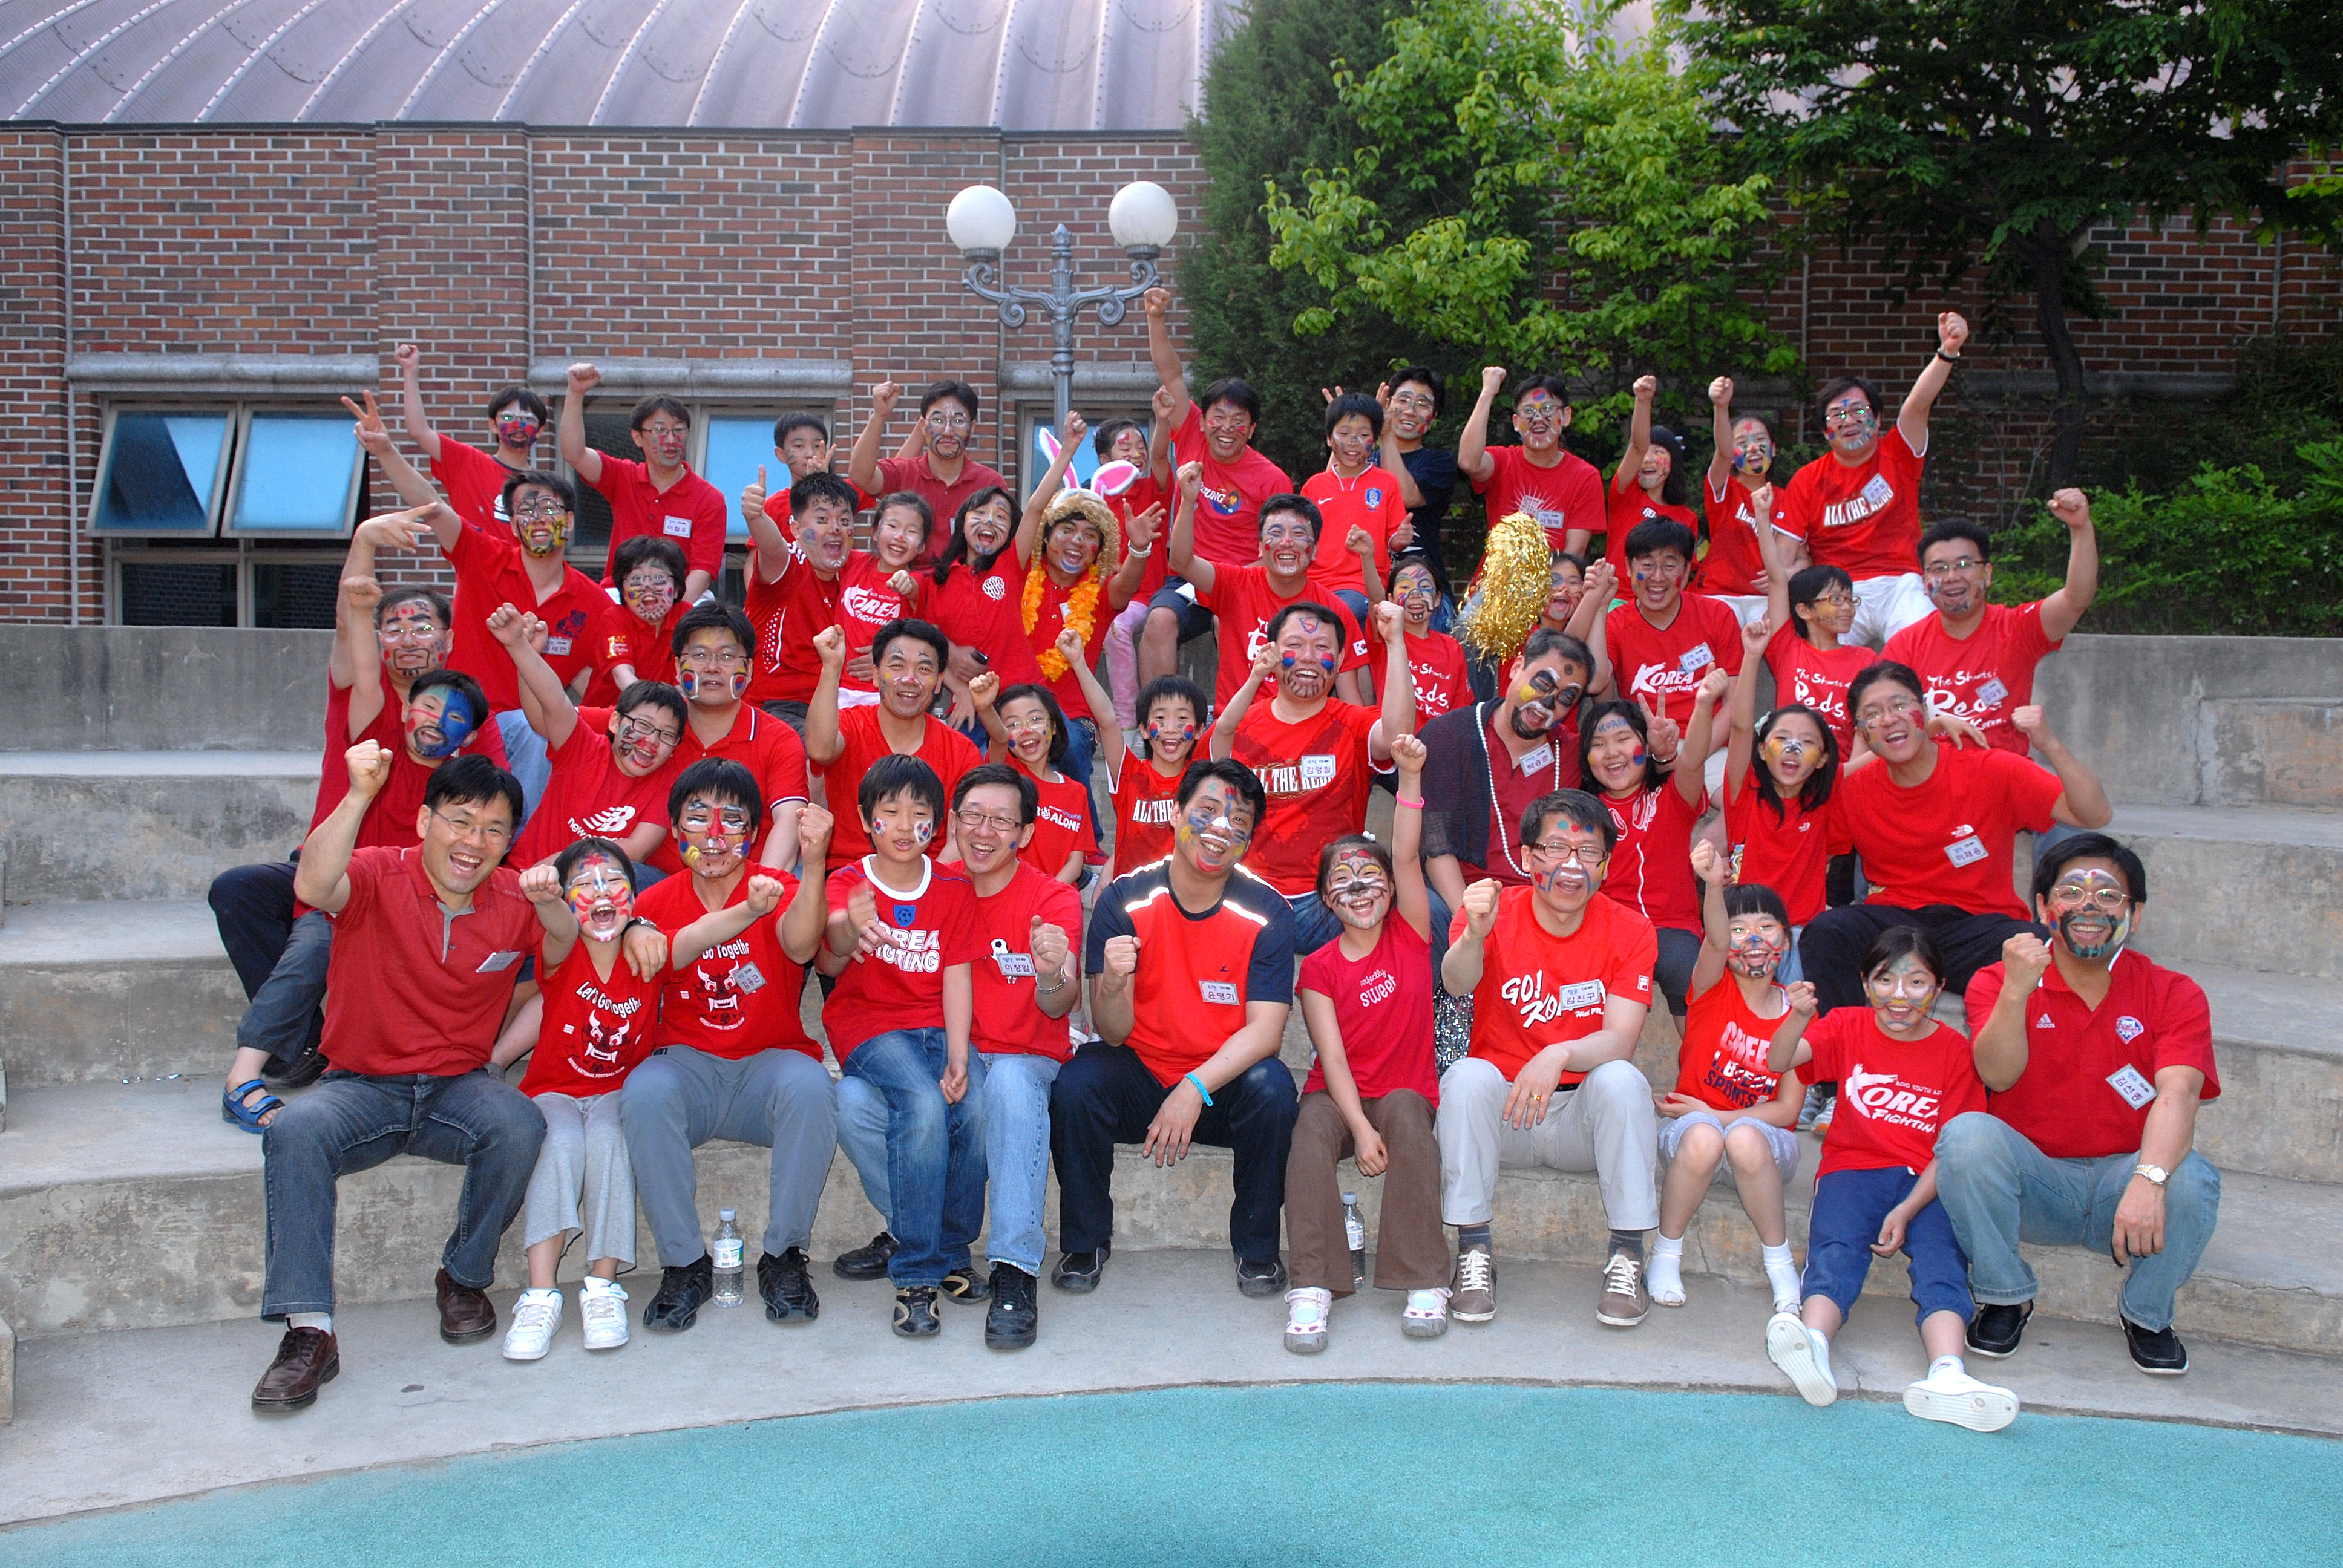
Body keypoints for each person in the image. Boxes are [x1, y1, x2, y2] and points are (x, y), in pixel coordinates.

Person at [249, 748, 659, 1411]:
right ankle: (309, 1331)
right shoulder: (378, 872)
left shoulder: (515, 898)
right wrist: (357, 795)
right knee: (294, 1131)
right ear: (424, 821)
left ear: (510, 842)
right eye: (461, 821)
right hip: (361, 1085)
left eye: (494, 830)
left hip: (456, 1088)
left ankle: (463, 1276)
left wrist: (638, 922)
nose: (475, 842)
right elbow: (314, 887)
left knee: (519, 1122)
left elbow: (582, 931)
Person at [210, 552, 491, 1126]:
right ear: (406, 710)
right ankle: (294, 1047)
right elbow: (361, 665)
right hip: (333, 870)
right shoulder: (374, 731)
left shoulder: (463, 775)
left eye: (454, 717)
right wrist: (360, 600)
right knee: (240, 890)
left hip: (388, 892)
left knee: (318, 938)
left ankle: (252, 1069)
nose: (437, 720)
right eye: (427, 708)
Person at [1939, 834, 2223, 1376]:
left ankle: (2146, 1313)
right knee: (1967, 1136)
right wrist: (2017, 993)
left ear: (2136, 914)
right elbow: (1997, 1074)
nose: (2089, 907)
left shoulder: (2173, 991)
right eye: (2071, 892)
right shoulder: (1997, 981)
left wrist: (2150, 1180)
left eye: (2109, 896)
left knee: (2193, 1178)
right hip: (2036, 1186)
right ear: (2043, 907)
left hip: (2125, 1183)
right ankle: (2004, 1296)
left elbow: (2179, 1093)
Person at [493, 840, 781, 1361]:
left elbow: (699, 934)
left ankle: (602, 1286)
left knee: (609, 1138)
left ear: (634, 894)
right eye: (584, 885)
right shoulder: (563, 951)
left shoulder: (649, 953)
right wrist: (546, 897)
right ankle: (540, 1294)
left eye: (613, 882)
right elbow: (558, 926)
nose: (601, 894)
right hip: (554, 1091)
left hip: (614, 1092)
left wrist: (751, 909)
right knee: (559, 1143)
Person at [1055, 760, 1299, 1297]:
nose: (1220, 830)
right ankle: (1084, 1243)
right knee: (1076, 1084)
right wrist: (1112, 984)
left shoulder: (1269, 911)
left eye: (1238, 822)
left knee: (1275, 1090)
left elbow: (1266, 1033)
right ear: (1175, 813)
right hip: (1140, 1073)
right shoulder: (1124, 898)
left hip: (1218, 1087)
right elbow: (1111, 1033)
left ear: (1249, 840)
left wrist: (1194, 1088)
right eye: (1206, 811)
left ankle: (1258, 1250)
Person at [1764, 927, 2017, 1432]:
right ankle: (1813, 1344)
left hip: (1926, 1180)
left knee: (1942, 1259)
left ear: (1939, 989)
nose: (1899, 996)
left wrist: (1908, 1208)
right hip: (1853, 1169)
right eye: (1885, 980)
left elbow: (1951, 1149)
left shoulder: (1955, 1050)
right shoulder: (1847, 1024)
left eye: (1917, 982)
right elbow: (1778, 1061)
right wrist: (1797, 1016)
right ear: (1865, 984)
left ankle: (1948, 1373)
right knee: (1836, 1247)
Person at [621, 762, 837, 1333]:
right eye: (698, 818)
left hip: (768, 1067)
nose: (715, 835)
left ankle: (784, 1255)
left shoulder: (775, 887)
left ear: (755, 832)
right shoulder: (656, 902)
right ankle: (683, 1264)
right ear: (675, 828)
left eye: (732, 819)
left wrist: (814, 862)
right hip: (689, 1069)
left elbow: (801, 947)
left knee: (812, 1087)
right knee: (644, 1093)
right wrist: (634, 927)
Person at [1439, 789, 1662, 1328]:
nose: (1572, 865)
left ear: (1606, 865)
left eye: (1588, 852)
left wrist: (1559, 1053)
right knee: (1465, 1076)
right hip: (1505, 1114)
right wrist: (1474, 935)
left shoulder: (1632, 930)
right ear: (1527, 856)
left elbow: (1621, 1040)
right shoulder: (1490, 911)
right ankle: (1473, 1248)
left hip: (1579, 1122)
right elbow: (1456, 983)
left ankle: (1628, 1254)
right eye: (1556, 848)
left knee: (1623, 1080)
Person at [1801, 665, 2112, 1010]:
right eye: (1872, 714)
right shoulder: (1855, 790)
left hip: (1978, 928)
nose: (1888, 719)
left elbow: (2094, 814)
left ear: (1925, 710)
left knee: (2046, 946)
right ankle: (1843, 1038)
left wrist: (2050, 744)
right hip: (1894, 928)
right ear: (1861, 731)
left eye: (1900, 705)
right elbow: (1804, 844)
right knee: (1828, 931)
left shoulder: (1990, 768)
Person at [347, 397, 603, 812]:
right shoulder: (482, 557)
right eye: (525, 510)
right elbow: (432, 507)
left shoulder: (592, 602)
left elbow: (596, 683)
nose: (538, 518)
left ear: (570, 520)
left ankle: (520, 846)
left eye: (549, 508)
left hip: (534, 738)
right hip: (464, 721)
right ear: (513, 524)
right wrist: (386, 450)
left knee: (540, 734)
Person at [1283, 735, 1452, 1351]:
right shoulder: (1319, 967)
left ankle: (1424, 1277)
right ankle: (1312, 1282)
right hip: (1338, 1094)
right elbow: (1330, 1059)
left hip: (1404, 1089)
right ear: (1326, 898)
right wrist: (1356, 1128)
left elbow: (1406, 853)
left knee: (1406, 1113)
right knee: (1308, 1130)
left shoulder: (1411, 933)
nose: (1359, 889)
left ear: (1390, 887)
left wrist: (1409, 776)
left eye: (1370, 876)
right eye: (1343, 881)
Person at [819, 755, 986, 1339]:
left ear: (937, 824)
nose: (904, 824)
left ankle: (952, 1249)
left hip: (937, 1026)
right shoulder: (848, 882)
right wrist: (850, 924)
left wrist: (961, 1054)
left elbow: (957, 975)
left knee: (976, 1105)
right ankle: (915, 1275)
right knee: (922, 1104)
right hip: (869, 1027)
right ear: (866, 817)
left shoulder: (953, 888)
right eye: (889, 811)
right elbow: (829, 955)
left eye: (919, 813)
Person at [936, 765, 1084, 1347]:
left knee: (1010, 1085)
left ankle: (1014, 1271)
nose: (984, 831)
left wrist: (1050, 972)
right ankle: (920, 1235)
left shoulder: (1052, 898)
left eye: (1001, 821)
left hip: (1027, 1058)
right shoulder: (934, 886)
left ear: (1025, 833)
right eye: (973, 816)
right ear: (953, 822)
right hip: (955, 1055)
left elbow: (1061, 1003)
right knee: (853, 1101)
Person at [1209, 599, 1418, 956]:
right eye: (1295, 645)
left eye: (1322, 648)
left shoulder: (1352, 723)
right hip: (1248, 895)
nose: (1308, 657)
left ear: (1340, 660)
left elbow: (1398, 734)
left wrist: (1396, 642)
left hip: (1329, 903)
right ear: (1271, 654)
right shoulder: (1239, 723)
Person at [1648, 844, 1806, 1314]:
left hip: (1764, 1146)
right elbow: (1716, 943)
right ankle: (1665, 1255)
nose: (1752, 938)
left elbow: (1788, 1110)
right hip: (1691, 1136)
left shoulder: (1797, 1010)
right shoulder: (1711, 988)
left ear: (1787, 940)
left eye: (1766, 927)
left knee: (1741, 1137)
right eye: (1739, 928)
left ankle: (1780, 1266)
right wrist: (1714, 887)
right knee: (1703, 1136)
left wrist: (1715, 1114)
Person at [1777, 311, 1970, 646]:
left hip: (1902, 583)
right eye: (1837, 415)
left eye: (1859, 411)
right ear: (1825, 431)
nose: (1849, 420)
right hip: (1838, 590)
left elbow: (1918, 405)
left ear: (1878, 419)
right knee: (1824, 655)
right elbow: (1784, 555)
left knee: (1921, 644)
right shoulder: (1807, 480)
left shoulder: (1899, 453)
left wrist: (1948, 351)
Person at [1138, 284, 1294, 687]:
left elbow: (1282, 542)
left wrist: (1248, 578)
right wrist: (1156, 318)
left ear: (1252, 429)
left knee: (1233, 625)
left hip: (1241, 579)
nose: (1227, 428)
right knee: (1158, 621)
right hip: (1188, 575)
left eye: (1238, 420)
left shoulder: (1272, 478)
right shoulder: (1191, 433)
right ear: (1204, 420)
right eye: (1218, 418)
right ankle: (1157, 714)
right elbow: (1171, 373)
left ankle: (1240, 715)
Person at [1883, 489, 2100, 754]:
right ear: (1925, 582)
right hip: (1932, 774)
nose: (1951, 577)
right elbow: (1886, 725)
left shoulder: (2017, 628)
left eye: (1964, 565)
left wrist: (2081, 529)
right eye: (1939, 568)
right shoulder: (1904, 646)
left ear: (1987, 574)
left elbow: (2075, 600)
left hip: (2004, 772)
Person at [494, 604, 686, 872]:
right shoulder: (583, 748)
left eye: (666, 735)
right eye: (643, 725)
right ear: (616, 722)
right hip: (524, 874)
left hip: (589, 888)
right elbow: (552, 703)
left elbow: (637, 849)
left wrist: (558, 865)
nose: (651, 741)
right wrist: (520, 648)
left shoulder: (667, 783)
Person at [1417, 627, 1595, 910]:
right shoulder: (1449, 735)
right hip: (1460, 902)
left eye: (1565, 699)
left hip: (1542, 907)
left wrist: (1661, 757)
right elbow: (1437, 850)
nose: (1547, 703)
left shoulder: (1571, 754)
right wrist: (1471, 921)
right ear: (1516, 667)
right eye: (1543, 683)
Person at [1578, 679, 1721, 1022]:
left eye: (1623, 739)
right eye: (1598, 744)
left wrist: (1702, 708)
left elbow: (1693, 761)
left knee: (1685, 970)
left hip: (1672, 928)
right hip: (1606, 930)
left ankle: (1697, 1057)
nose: (1612, 752)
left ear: (1645, 745)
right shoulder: (1582, 811)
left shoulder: (1673, 796)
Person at [1170, 474, 1370, 713]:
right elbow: (1182, 562)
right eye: (1275, 532)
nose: (1286, 542)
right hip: (1239, 726)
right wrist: (1188, 502)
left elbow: (1352, 704)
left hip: (1303, 729)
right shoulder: (1234, 584)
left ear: (1315, 550)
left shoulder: (1334, 611)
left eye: (1298, 534)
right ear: (1259, 546)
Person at [1015, 453, 1158, 785]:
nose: (1077, 541)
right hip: (1016, 707)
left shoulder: (1100, 592)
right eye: (1067, 530)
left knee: (1071, 750)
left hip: (1074, 718)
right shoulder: (1020, 577)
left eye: (1090, 535)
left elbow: (1126, 586)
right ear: (1046, 536)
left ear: (1100, 549)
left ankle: (1082, 820)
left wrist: (1138, 550)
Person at [806, 619, 983, 874]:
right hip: (848, 877)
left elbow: (962, 836)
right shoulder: (850, 725)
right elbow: (820, 751)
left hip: (929, 880)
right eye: (897, 666)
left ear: (938, 682)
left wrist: (924, 885)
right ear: (876, 675)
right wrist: (832, 667)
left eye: (924, 669)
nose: (910, 679)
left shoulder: (962, 752)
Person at [1720, 612, 1841, 973]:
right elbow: (1741, 728)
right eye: (1782, 739)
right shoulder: (1745, 792)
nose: (1793, 748)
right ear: (1761, 749)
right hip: (1744, 930)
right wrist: (1752, 655)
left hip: (1801, 934)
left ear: (1822, 759)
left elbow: (1876, 762)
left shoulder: (1827, 801)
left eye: (1808, 742)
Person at [652, 601, 810, 878]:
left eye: (726, 656)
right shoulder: (652, 727)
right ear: (677, 666)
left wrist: (759, 891)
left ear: (749, 669)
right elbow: (572, 725)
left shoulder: (778, 739)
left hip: (748, 883)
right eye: (700, 655)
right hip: (659, 882)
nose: (712, 667)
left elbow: (789, 819)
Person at [559, 364, 727, 601]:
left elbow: (703, 571)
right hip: (621, 593)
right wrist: (576, 393)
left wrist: (672, 611)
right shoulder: (622, 477)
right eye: (660, 430)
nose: (671, 440)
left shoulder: (709, 498)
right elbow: (574, 454)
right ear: (637, 437)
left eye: (679, 430)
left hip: (683, 596)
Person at [1061, 655, 1206, 882]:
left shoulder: (1202, 781)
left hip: (1182, 894)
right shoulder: (1130, 774)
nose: (1171, 728)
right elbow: (1107, 720)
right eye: (1160, 718)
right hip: (1130, 894)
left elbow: (1226, 728)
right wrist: (1079, 662)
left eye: (1182, 719)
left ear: (1198, 730)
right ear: (1144, 730)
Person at [739, 469, 860, 733]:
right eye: (822, 519)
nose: (835, 529)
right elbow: (772, 547)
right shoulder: (788, 563)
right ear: (796, 529)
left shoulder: (860, 571)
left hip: (846, 702)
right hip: (779, 708)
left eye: (844, 520)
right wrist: (755, 517)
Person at [847, 379, 1010, 570]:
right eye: (938, 421)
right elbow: (861, 476)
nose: (948, 431)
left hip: (967, 583)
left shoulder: (990, 483)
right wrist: (879, 416)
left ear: (972, 427)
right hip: (906, 583)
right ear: (923, 425)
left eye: (958, 421)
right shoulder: (905, 471)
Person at [1603, 517, 1745, 736]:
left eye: (1670, 566)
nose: (1658, 577)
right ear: (1628, 568)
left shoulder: (1719, 615)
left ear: (1687, 570)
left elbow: (1734, 705)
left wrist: (1693, 754)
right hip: (1644, 743)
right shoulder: (1615, 623)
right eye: (1647, 565)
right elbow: (1597, 684)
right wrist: (1596, 603)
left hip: (1710, 742)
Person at [392, 342, 545, 534]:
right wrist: (410, 371)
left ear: (540, 430)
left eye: (527, 420)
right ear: (492, 425)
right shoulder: (467, 463)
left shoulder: (545, 487)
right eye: (508, 418)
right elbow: (419, 431)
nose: (518, 426)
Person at [1457, 367, 1607, 559]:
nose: (1538, 418)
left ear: (1566, 416)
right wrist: (1488, 393)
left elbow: (1574, 554)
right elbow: (1468, 462)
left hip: (1555, 577)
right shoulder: (1503, 462)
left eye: (1547, 409)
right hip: (1496, 576)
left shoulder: (1585, 476)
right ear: (1516, 422)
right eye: (1528, 411)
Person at [926, 486, 1047, 722]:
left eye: (1001, 517)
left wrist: (1063, 460)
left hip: (1022, 696)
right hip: (970, 703)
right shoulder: (939, 579)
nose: (989, 521)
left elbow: (1036, 508)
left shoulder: (1011, 564)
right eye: (980, 512)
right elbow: (930, 643)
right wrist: (961, 689)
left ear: (1011, 531)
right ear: (962, 522)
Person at [1096, 393, 1180, 731]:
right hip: (1101, 594)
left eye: (1140, 447)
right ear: (1105, 460)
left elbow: (1159, 456)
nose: (1136, 454)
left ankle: (1128, 723)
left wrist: (1161, 420)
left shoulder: (1152, 489)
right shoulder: (1092, 500)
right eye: (1125, 448)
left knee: (1116, 629)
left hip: (1143, 598)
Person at [973, 673, 1098, 885]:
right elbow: (999, 738)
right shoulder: (1006, 774)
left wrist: (1047, 895)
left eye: (1035, 720)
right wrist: (985, 708)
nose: (1026, 730)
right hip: (1008, 893)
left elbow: (1075, 863)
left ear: (1054, 726)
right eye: (1013, 724)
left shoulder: (1077, 792)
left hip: (1056, 896)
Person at [1698, 376, 1804, 623]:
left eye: (1760, 440)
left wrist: (1789, 573)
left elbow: (1803, 557)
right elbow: (1723, 452)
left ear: (1774, 448)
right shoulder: (1723, 488)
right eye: (1742, 443)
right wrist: (1721, 408)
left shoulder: (1790, 498)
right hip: (1719, 595)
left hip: (1766, 599)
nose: (1753, 448)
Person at [1301, 391, 1411, 621]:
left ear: (1375, 440)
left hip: (1361, 585)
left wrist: (1401, 538)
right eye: (1344, 433)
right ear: (1329, 438)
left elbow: (1394, 541)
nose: (1353, 441)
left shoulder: (1386, 482)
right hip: (1312, 583)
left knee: (1337, 615)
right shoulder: (1314, 485)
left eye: (1363, 434)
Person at [826, 491, 937, 710]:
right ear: (875, 532)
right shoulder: (854, 563)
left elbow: (914, 588)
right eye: (893, 526)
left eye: (911, 531)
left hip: (883, 695)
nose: (900, 537)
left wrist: (882, 656)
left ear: (922, 546)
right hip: (839, 689)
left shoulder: (920, 582)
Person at [1602, 376, 1699, 587]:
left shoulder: (1687, 517)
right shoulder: (1625, 494)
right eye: (1645, 453)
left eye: (1658, 452)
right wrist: (1643, 401)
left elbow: (1683, 573)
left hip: (1661, 598)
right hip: (1617, 597)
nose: (1647, 459)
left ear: (1673, 463)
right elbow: (1637, 446)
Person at [1381, 368, 1461, 612]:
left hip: (1426, 595)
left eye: (1422, 404)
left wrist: (1385, 433)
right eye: (1403, 400)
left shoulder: (1440, 463)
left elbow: (1403, 496)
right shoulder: (1362, 462)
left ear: (1433, 418)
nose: (1410, 410)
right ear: (1387, 404)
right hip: (1370, 589)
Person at [584, 535, 690, 706]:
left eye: (658, 578)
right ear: (623, 591)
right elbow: (622, 675)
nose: (647, 586)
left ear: (677, 589)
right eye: (636, 579)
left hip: (666, 713)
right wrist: (653, 708)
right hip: (610, 713)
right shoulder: (614, 618)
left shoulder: (686, 616)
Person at [1390, 552, 1471, 728]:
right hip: (1396, 741)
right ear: (1391, 600)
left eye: (1425, 586)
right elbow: (1374, 597)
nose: (1416, 593)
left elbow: (1460, 711)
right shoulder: (1386, 639)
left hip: (1440, 740)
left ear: (1438, 599)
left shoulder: (1452, 647)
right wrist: (1368, 556)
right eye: (1405, 587)